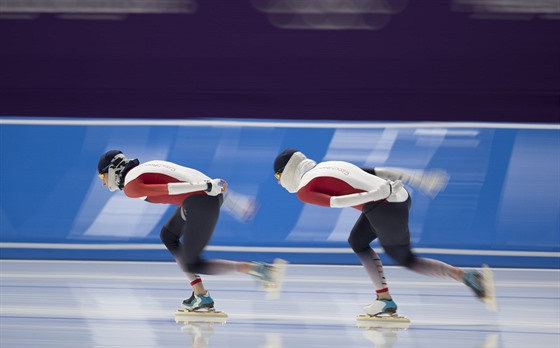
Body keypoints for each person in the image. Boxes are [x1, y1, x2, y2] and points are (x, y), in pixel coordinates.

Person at [273, 148, 489, 317]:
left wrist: (375, 194)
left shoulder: (304, 191)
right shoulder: (330, 164)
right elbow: (379, 172)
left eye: (278, 178)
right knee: (357, 240)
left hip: (383, 205)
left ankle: (465, 276)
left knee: (406, 259)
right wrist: (418, 179)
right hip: (395, 197)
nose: (280, 183)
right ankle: (384, 299)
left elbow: (337, 202)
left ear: (286, 172)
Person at [97, 150, 280, 312]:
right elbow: (191, 175)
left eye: (103, 177)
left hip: (199, 202)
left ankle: (257, 270)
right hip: (199, 201)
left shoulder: (131, 186)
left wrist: (206, 187)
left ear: (113, 170)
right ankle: (200, 295)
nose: (104, 184)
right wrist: (230, 200)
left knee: (192, 264)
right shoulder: (148, 166)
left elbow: (168, 188)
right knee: (168, 235)